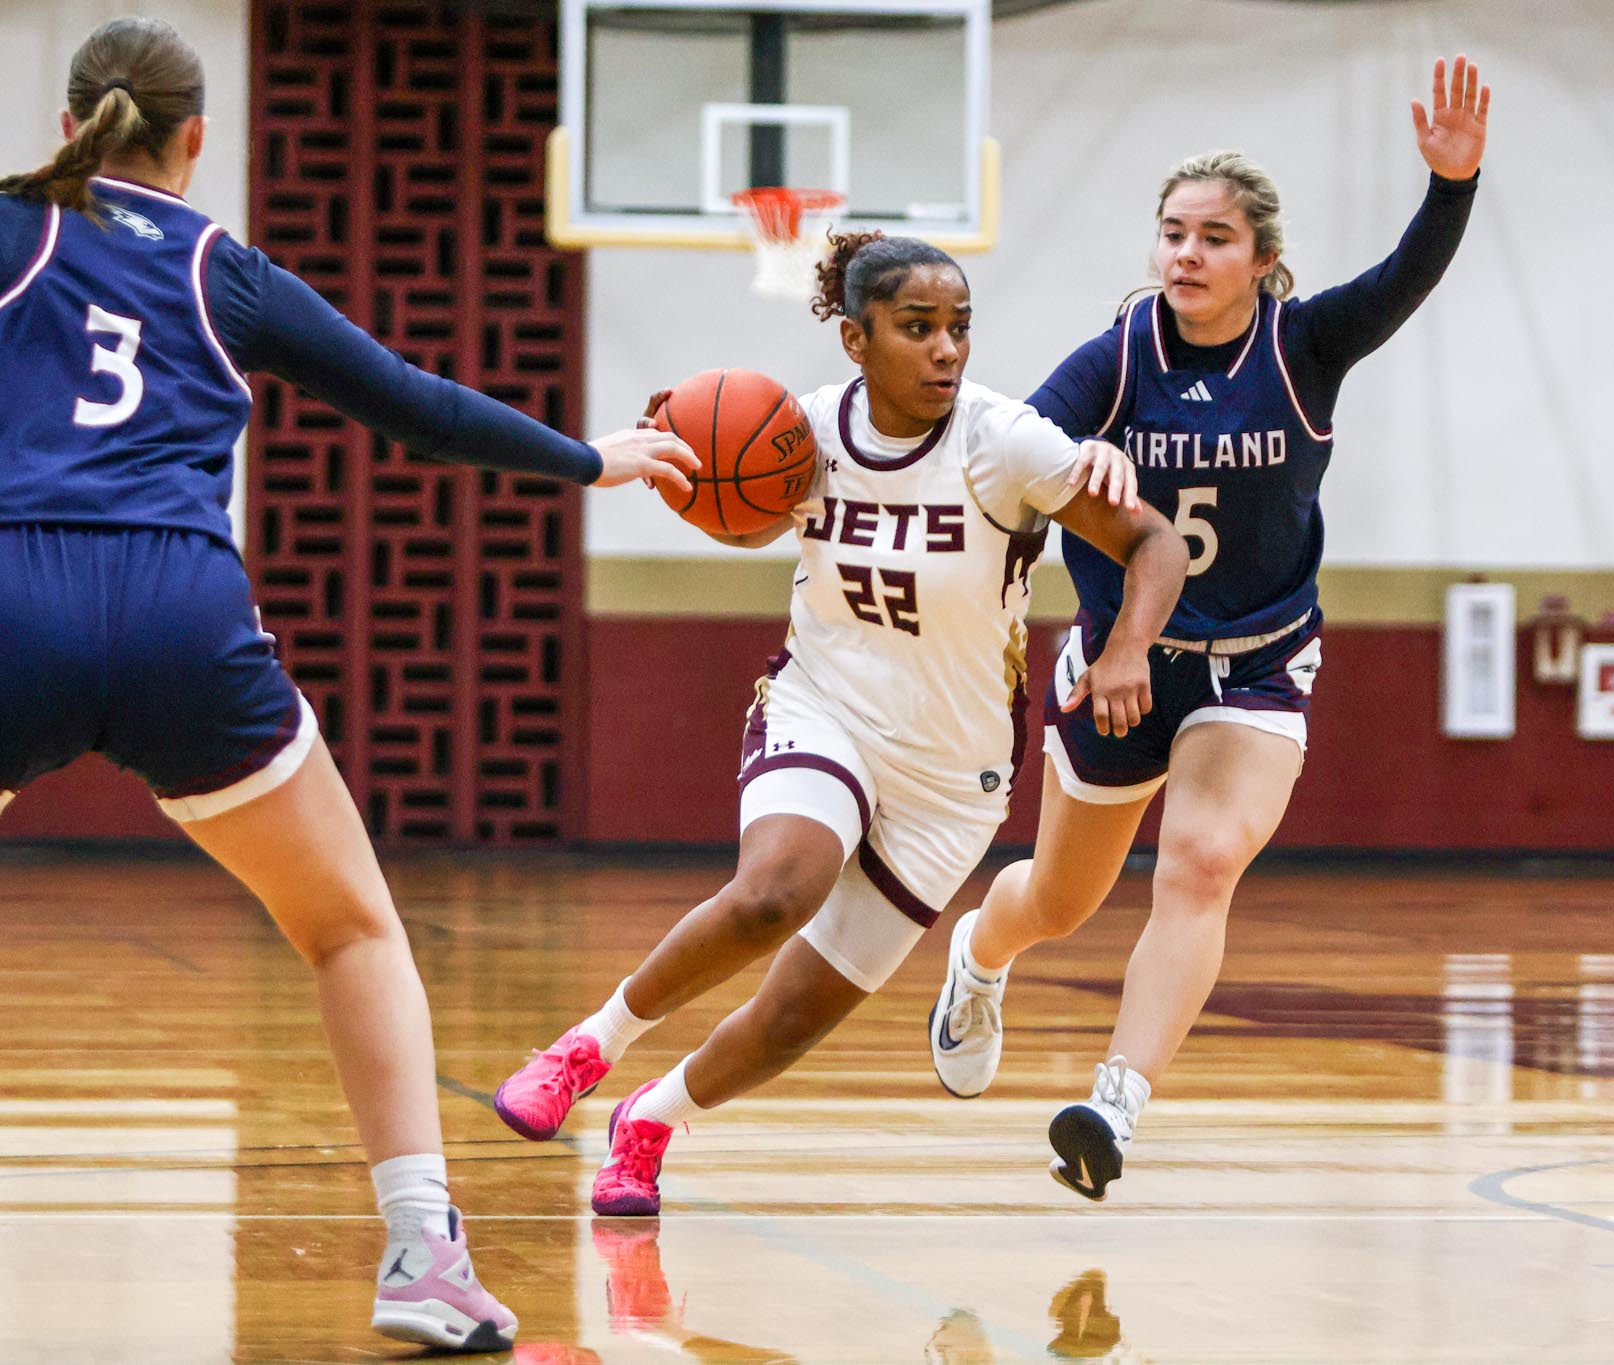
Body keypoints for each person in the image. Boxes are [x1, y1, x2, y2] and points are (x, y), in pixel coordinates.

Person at [0, 18, 696, 1351]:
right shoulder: (228, 271)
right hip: (181, 614)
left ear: (71, 118)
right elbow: (413, 403)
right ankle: (424, 1256)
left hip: (12, 592)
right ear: (197, 139)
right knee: (353, 929)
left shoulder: (11, 228)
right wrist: (587, 461)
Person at [491, 230, 1187, 1216]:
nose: (946, 350)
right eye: (917, 329)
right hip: (825, 705)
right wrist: (683, 451)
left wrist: (1124, 652)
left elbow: (1153, 542)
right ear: (856, 341)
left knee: (791, 1018)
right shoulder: (798, 431)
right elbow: (746, 503)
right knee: (776, 890)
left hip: (953, 776)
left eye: (958, 329)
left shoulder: (1006, 442)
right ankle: (583, 1050)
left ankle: (651, 1120)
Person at [925, 56, 1491, 1199]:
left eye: (1213, 237)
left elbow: (1405, 278)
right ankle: (979, 956)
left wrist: (1450, 187)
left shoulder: (1303, 347)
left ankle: (1113, 1106)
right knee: (1059, 900)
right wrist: (1066, 456)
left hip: (1255, 663)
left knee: (1200, 861)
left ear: (1261, 261)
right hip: (1122, 661)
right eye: (1171, 233)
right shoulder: (1117, 353)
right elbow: (1017, 442)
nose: (1185, 253)